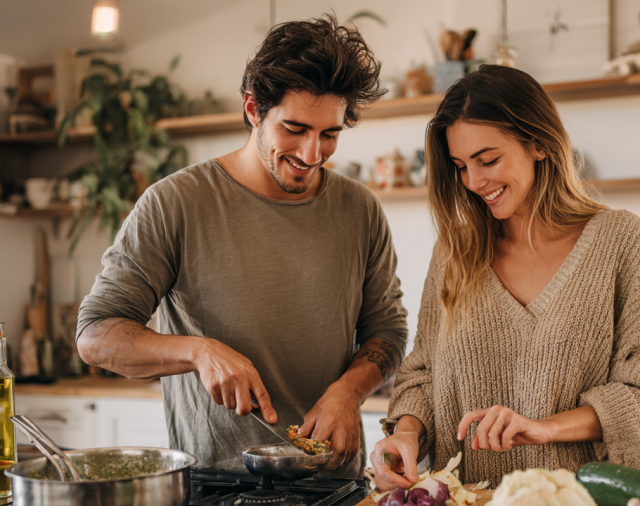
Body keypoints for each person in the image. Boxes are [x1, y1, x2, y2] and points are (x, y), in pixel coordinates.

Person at [76, 15, 408, 478]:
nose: (312, 155)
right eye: (294, 128)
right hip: (216, 491)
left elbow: (388, 332)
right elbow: (95, 337)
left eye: (329, 134)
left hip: (332, 488)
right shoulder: (175, 203)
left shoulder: (360, 209)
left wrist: (348, 392)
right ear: (253, 109)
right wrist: (198, 351)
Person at [370, 65, 640, 489]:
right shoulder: (455, 254)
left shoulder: (619, 240)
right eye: (461, 166)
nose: (474, 181)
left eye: (488, 160)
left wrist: (544, 428)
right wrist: (406, 435)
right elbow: (423, 374)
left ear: (539, 144)